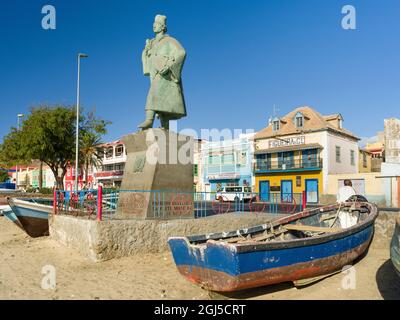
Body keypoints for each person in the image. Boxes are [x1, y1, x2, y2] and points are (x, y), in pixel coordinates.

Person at [138, 14, 187, 130]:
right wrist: (146, 51)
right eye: (153, 24)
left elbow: (181, 53)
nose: (154, 26)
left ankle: (149, 120)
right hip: (155, 74)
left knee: (153, 94)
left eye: (157, 24)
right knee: (162, 100)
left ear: (163, 27)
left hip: (166, 73)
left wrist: (170, 65)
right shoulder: (152, 42)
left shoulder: (170, 40)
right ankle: (165, 127)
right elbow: (148, 58)